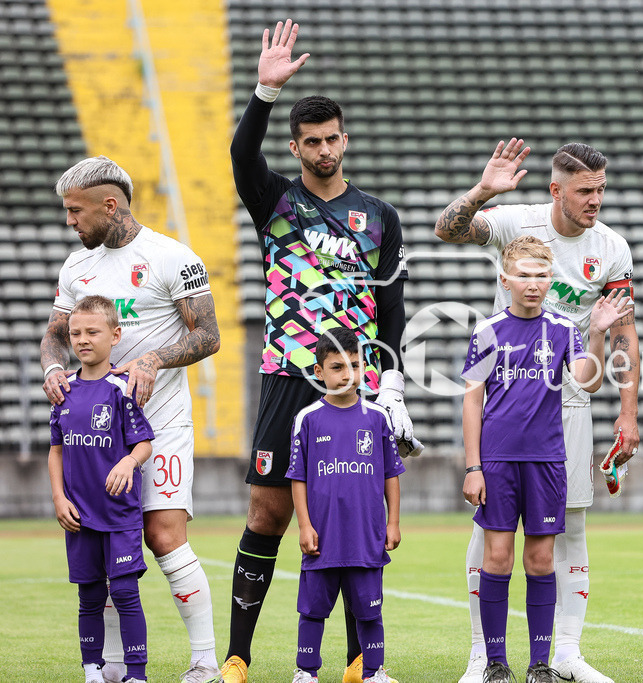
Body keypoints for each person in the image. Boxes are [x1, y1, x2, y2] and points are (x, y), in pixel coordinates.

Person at [221, 20, 410, 683]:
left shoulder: (380, 217)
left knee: (353, 520)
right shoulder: (275, 201)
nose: (325, 149)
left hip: (353, 389)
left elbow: (392, 309)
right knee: (268, 513)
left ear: (344, 140)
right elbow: (243, 154)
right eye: (313, 141)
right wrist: (264, 93)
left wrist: (393, 386)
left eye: (333, 139)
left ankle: (359, 661)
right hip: (287, 378)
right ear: (297, 146)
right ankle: (238, 656)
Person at [435, 139, 638, 683]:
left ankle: (564, 654)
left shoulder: (612, 248)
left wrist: (629, 410)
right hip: (508, 401)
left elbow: (621, 329)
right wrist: (482, 191)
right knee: (491, 537)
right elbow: (447, 230)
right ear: (556, 190)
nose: (595, 200)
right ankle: (484, 655)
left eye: (601, 189)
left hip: (569, 402)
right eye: (584, 191)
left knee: (570, 527)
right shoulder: (516, 222)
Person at [41, 157, 222, 683]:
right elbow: (56, 333)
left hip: (160, 422)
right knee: (101, 541)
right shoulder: (77, 267)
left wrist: (152, 359)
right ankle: (116, 668)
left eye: (76, 211)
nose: (70, 221)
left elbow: (208, 334)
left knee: (164, 537)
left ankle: (205, 662)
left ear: (110, 204)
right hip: (97, 432)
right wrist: (54, 367)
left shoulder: (172, 257)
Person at [462, 236, 630, 683]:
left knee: (540, 562)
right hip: (497, 462)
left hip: (547, 463)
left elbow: (587, 382)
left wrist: (596, 331)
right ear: (505, 279)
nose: (532, 284)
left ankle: (540, 665)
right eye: (523, 275)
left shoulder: (562, 329)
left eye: (540, 276)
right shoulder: (487, 330)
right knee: (497, 559)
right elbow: (471, 402)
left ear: (551, 280)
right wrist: (473, 466)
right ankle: (495, 662)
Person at [287, 328, 404, 683]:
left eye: (355, 365)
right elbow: (298, 478)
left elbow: (391, 475)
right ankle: (306, 672)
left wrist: (393, 522)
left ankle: (373, 672)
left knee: (370, 611)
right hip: (322, 536)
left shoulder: (377, 418)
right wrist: (304, 526)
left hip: (365, 536)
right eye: (337, 367)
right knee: (312, 610)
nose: (348, 375)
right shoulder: (307, 419)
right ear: (319, 372)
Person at [48, 295, 155, 683]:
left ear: (115, 334)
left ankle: (137, 674)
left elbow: (143, 442)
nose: (82, 339)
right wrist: (59, 497)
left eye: (92, 331)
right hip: (79, 515)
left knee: (125, 594)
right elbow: (55, 450)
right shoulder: (63, 390)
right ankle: (92, 670)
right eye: (75, 333)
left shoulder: (122, 389)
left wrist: (129, 461)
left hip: (120, 514)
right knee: (89, 597)